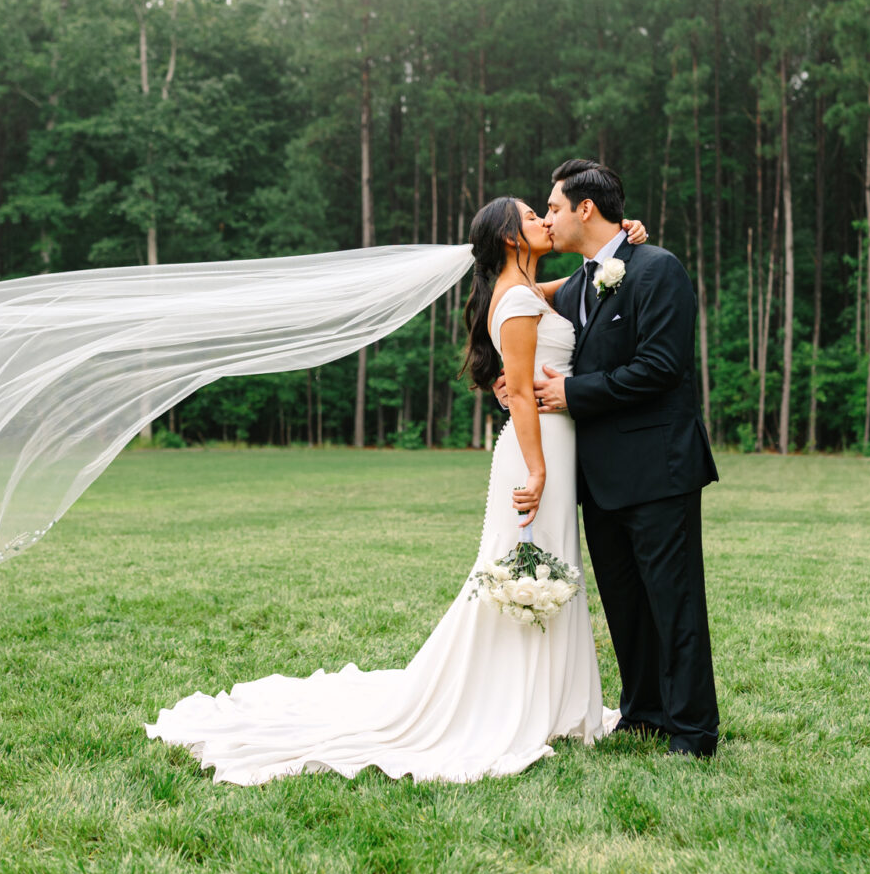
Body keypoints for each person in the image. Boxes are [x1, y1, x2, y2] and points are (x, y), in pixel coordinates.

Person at [143, 201, 651, 784]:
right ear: (512, 238)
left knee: (546, 565)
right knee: (524, 568)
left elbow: (588, 278)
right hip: (536, 453)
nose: (544, 218)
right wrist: (536, 471)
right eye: (533, 214)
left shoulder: (528, 291)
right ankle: (518, 705)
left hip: (554, 447)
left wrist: (625, 241)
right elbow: (516, 394)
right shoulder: (514, 300)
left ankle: (553, 702)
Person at [496, 159, 720, 757]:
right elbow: (520, 304)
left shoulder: (658, 269)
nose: (549, 216)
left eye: (555, 207)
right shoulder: (577, 285)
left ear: (585, 209)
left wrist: (572, 393)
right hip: (599, 480)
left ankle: (693, 731)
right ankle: (644, 711)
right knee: (625, 603)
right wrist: (509, 372)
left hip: (658, 469)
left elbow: (661, 367)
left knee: (674, 603)